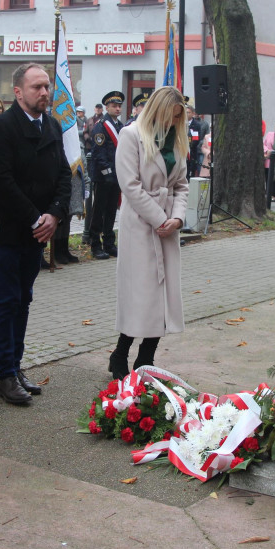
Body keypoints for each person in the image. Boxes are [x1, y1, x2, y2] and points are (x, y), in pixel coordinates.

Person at [0, 63, 70, 405]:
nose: (45, 93)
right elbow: (0, 180)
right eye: (37, 87)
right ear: (18, 92)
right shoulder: (1, 127)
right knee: (7, 302)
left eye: (47, 86)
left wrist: (56, 214)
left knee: (25, 300)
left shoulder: (52, 124)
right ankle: (4, 374)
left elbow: (64, 175)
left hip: (38, 232)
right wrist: (36, 218)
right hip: (10, 231)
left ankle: (15, 366)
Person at [108, 86, 189, 378]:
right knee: (140, 294)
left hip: (168, 227)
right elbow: (129, 185)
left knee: (164, 295)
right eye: (168, 116)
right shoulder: (131, 136)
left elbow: (181, 185)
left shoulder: (176, 140)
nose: (171, 123)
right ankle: (120, 354)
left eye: (176, 118)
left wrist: (177, 218)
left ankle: (146, 358)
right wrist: (158, 218)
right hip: (140, 225)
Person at [88, 91, 124, 260]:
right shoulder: (101, 126)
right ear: (106, 107)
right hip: (104, 176)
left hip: (117, 175)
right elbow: (98, 153)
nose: (117, 109)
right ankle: (95, 244)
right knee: (99, 211)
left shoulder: (120, 126)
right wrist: (107, 172)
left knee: (111, 211)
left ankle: (109, 243)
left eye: (119, 106)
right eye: (114, 106)